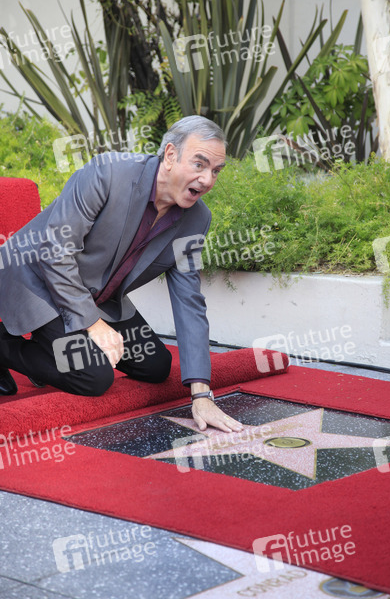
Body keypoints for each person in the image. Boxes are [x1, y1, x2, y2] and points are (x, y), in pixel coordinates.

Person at [0, 115, 244, 434]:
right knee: (93, 375)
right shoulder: (107, 173)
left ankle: (51, 353)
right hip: (37, 278)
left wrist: (201, 394)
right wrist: (93, 325)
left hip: (98, 296)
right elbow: (55, 251)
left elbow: (189, 301)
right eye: (199, 164)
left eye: (216, 171)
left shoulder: (197, 219)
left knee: (156, 365)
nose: (208, 179)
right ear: (171, 155)